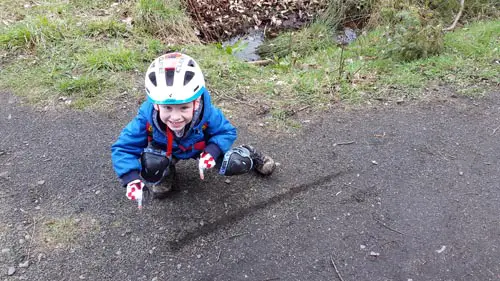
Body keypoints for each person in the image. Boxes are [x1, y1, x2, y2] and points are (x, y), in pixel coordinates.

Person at [111, 52, 275, 207]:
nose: (175, 117)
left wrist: (212, 150)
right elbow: (123, 147)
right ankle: (166, 173)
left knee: (234, 164)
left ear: (196, 103)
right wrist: (131, 179)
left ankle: (249, 153)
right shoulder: (145, 119)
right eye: (167, 108)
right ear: (156, 105)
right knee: (152, 164)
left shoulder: (208, 114)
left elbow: (227, 131)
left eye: (183, 108)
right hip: (167, 150)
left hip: (200, 148)